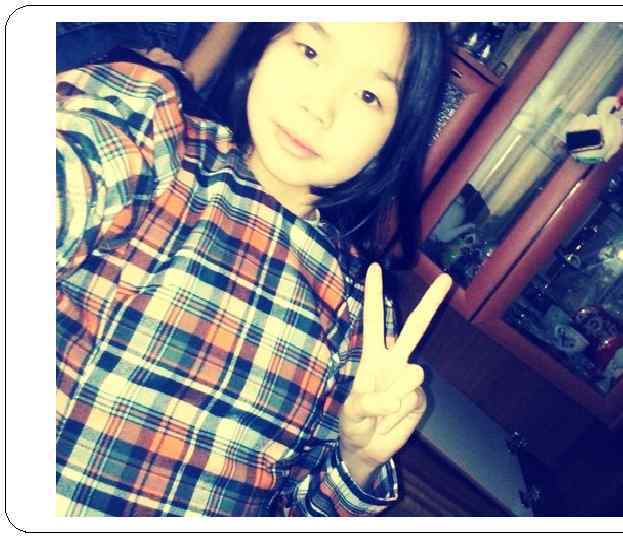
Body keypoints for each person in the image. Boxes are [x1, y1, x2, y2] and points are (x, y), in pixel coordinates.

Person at [56, 21, 452, 516]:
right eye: (310, 51)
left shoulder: (363, 322)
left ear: (395, 138)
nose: (319, 109)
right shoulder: (158, 136)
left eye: (368, 96)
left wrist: (358, 461)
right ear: (264, 44)